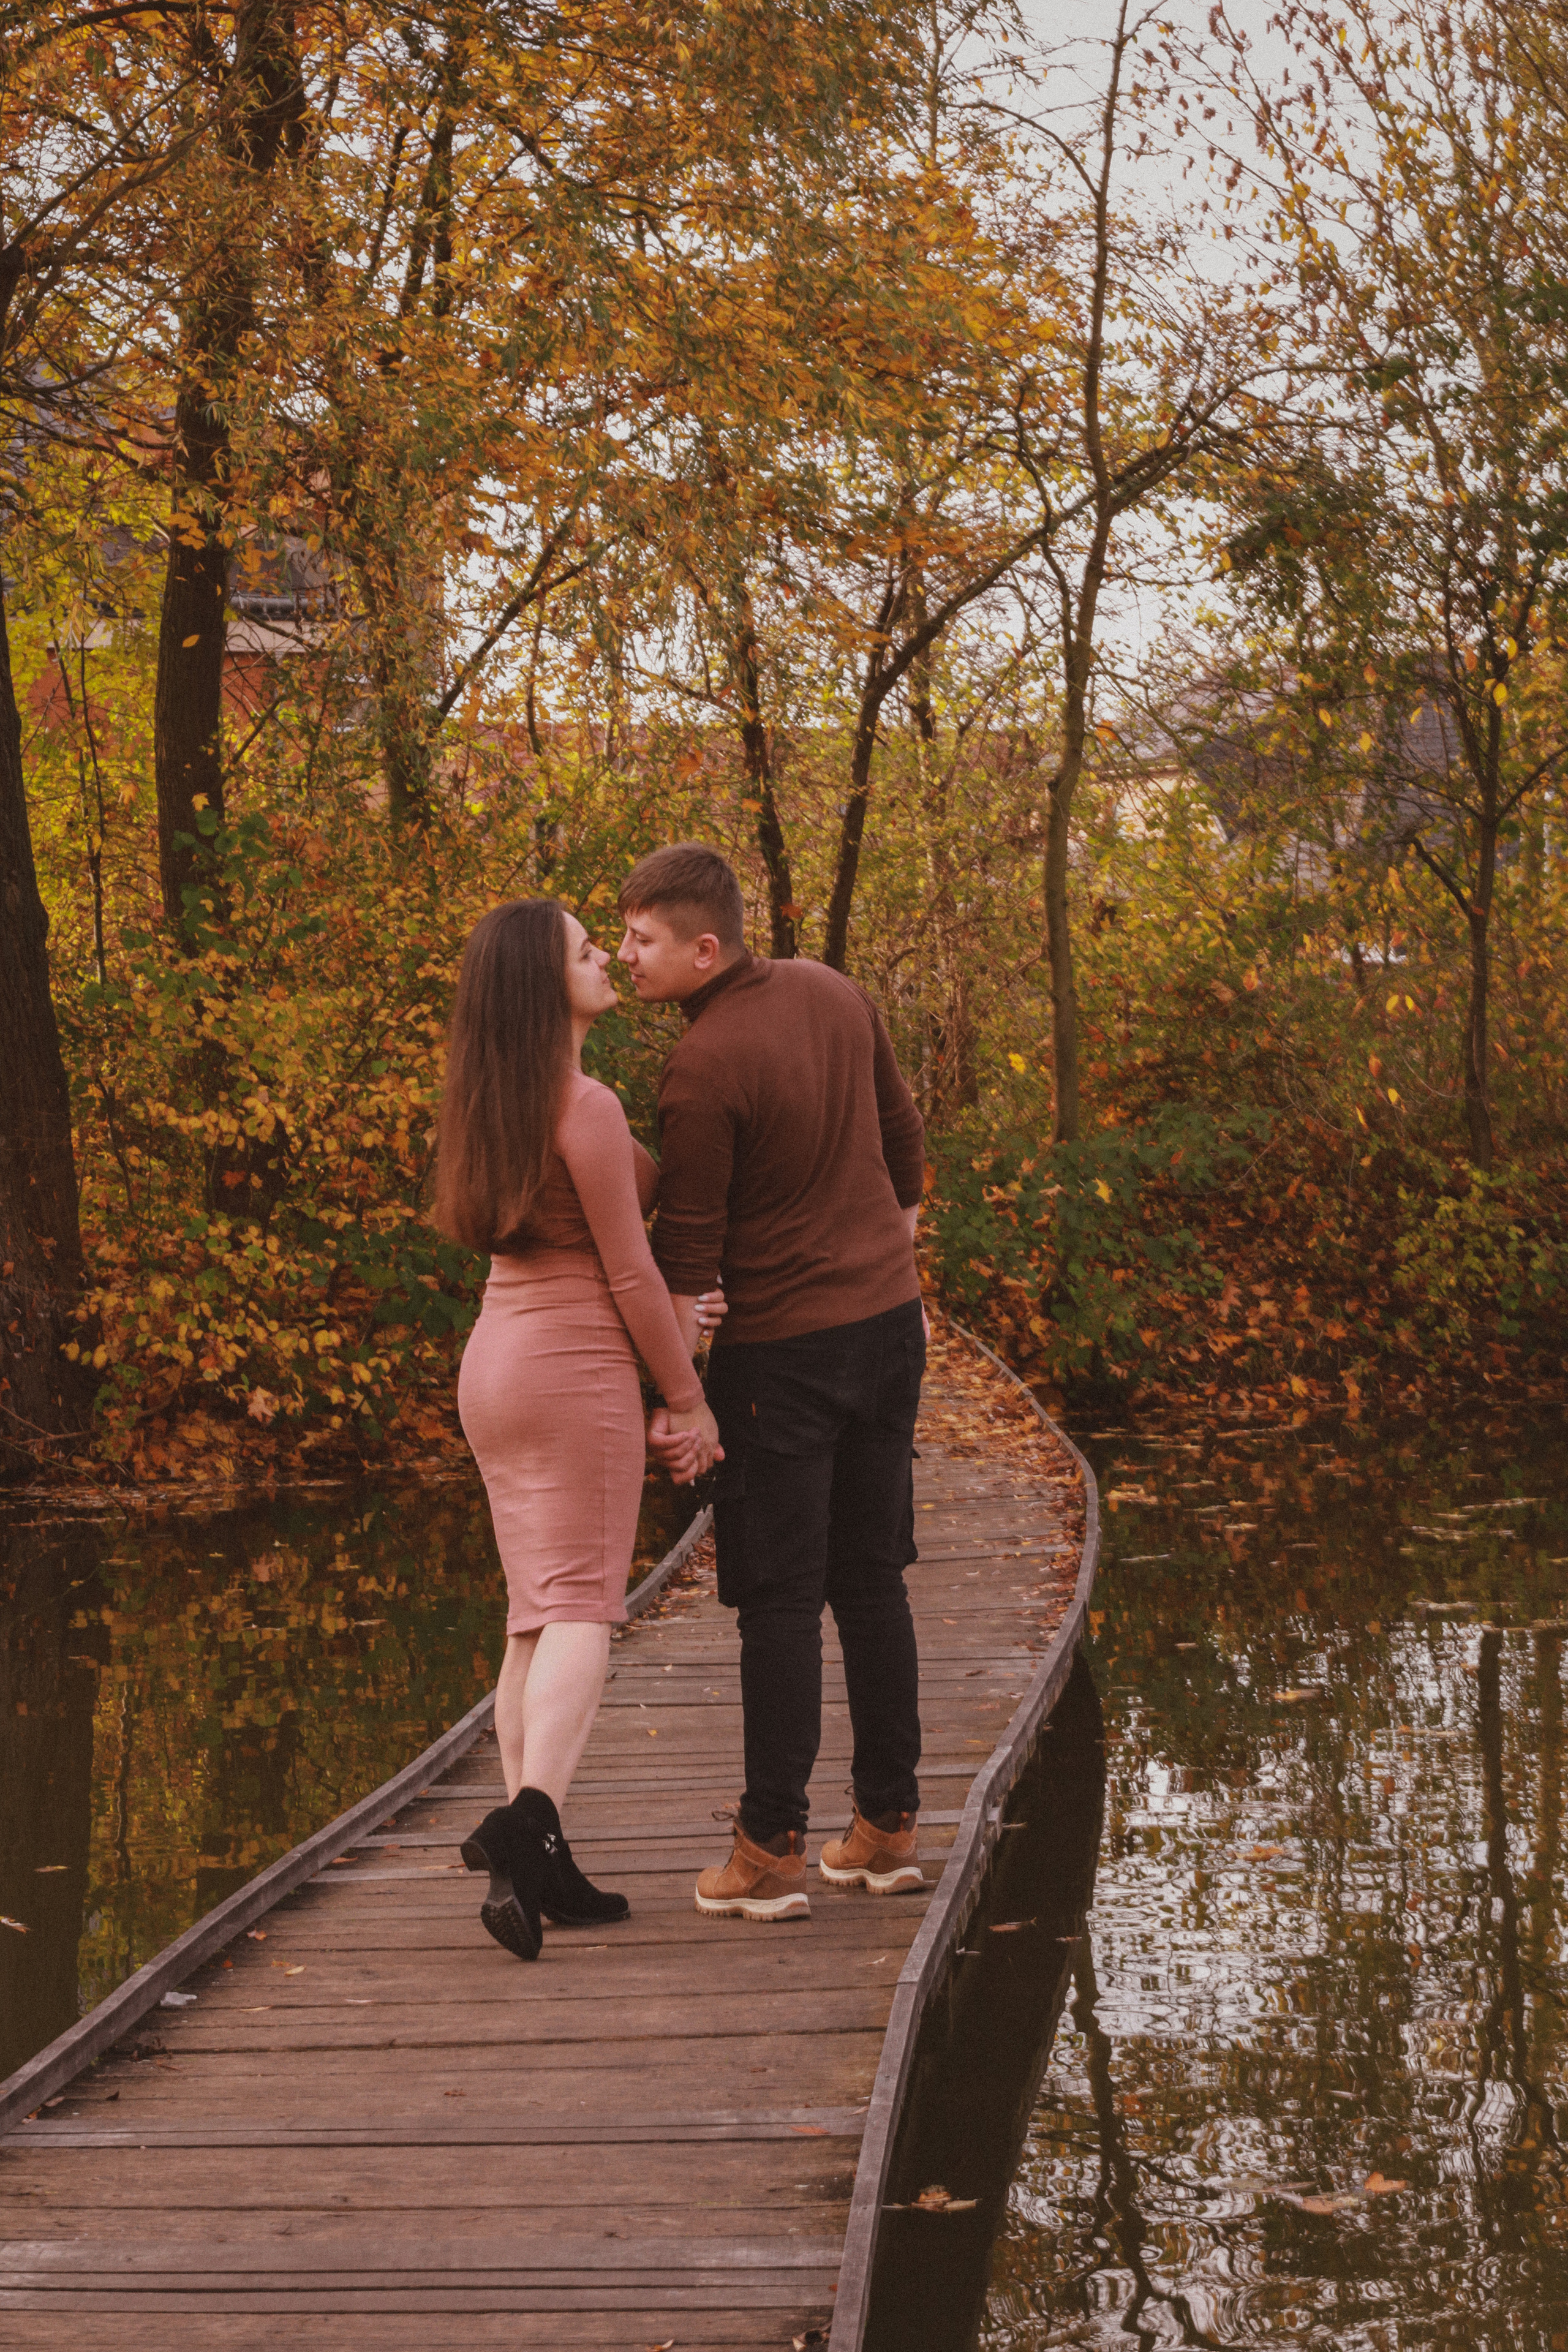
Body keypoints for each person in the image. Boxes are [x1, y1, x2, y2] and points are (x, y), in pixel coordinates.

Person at [618, 843, 929, 1924]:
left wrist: (679, 1394)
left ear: (706, 947)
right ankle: (887, 1831)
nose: (626, 958)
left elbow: (690, 1255)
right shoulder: (834, 992)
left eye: (643, 940)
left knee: (782, 1602)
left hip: (785, 1358)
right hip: (890, 1332)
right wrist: (889, 1251)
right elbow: (904, 1139)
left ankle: (769, 1849)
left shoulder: (702, 1067)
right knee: (874, 1579)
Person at [434, 897, 725, 1962]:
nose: (607, 959)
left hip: (496, 1361)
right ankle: (530, 1818)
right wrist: (685, 1389)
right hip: (571, 1370)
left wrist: (684, 1314)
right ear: (538, 984)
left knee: (532, 1616)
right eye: (586, 952)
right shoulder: (583, 1102)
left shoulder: (490, 1102)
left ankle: (536, 1862)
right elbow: (631, 1270)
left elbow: (629, 1239)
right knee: (586, 1609)